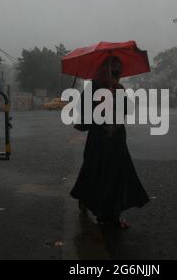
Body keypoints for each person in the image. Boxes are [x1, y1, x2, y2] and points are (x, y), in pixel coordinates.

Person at [70, 56, 149, 229]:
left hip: (117, 140)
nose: (114, 74)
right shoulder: (92, 88)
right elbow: (81, 110)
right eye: (110, 70)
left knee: (115, 175)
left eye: (116, 71)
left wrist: (117, 94)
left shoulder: (118, 88)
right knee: (95, 171)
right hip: (99, 140)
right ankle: (93, 203)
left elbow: (128, 109)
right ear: (102, 70)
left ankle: (110, 214)